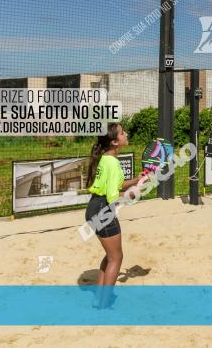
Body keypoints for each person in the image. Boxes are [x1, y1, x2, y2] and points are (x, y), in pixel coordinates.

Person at [84, 123, 148, 308]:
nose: (125, 133)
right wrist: (135, 193)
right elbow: (114, 195)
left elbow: (117, 185)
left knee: (110, 256)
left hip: (93, 208)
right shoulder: (113, 162)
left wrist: (136, 180)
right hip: (104, 210)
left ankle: (99, 299)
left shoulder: (105, 158)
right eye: (122, 133)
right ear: (114, 142)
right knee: (116, 258)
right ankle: (104, 304)